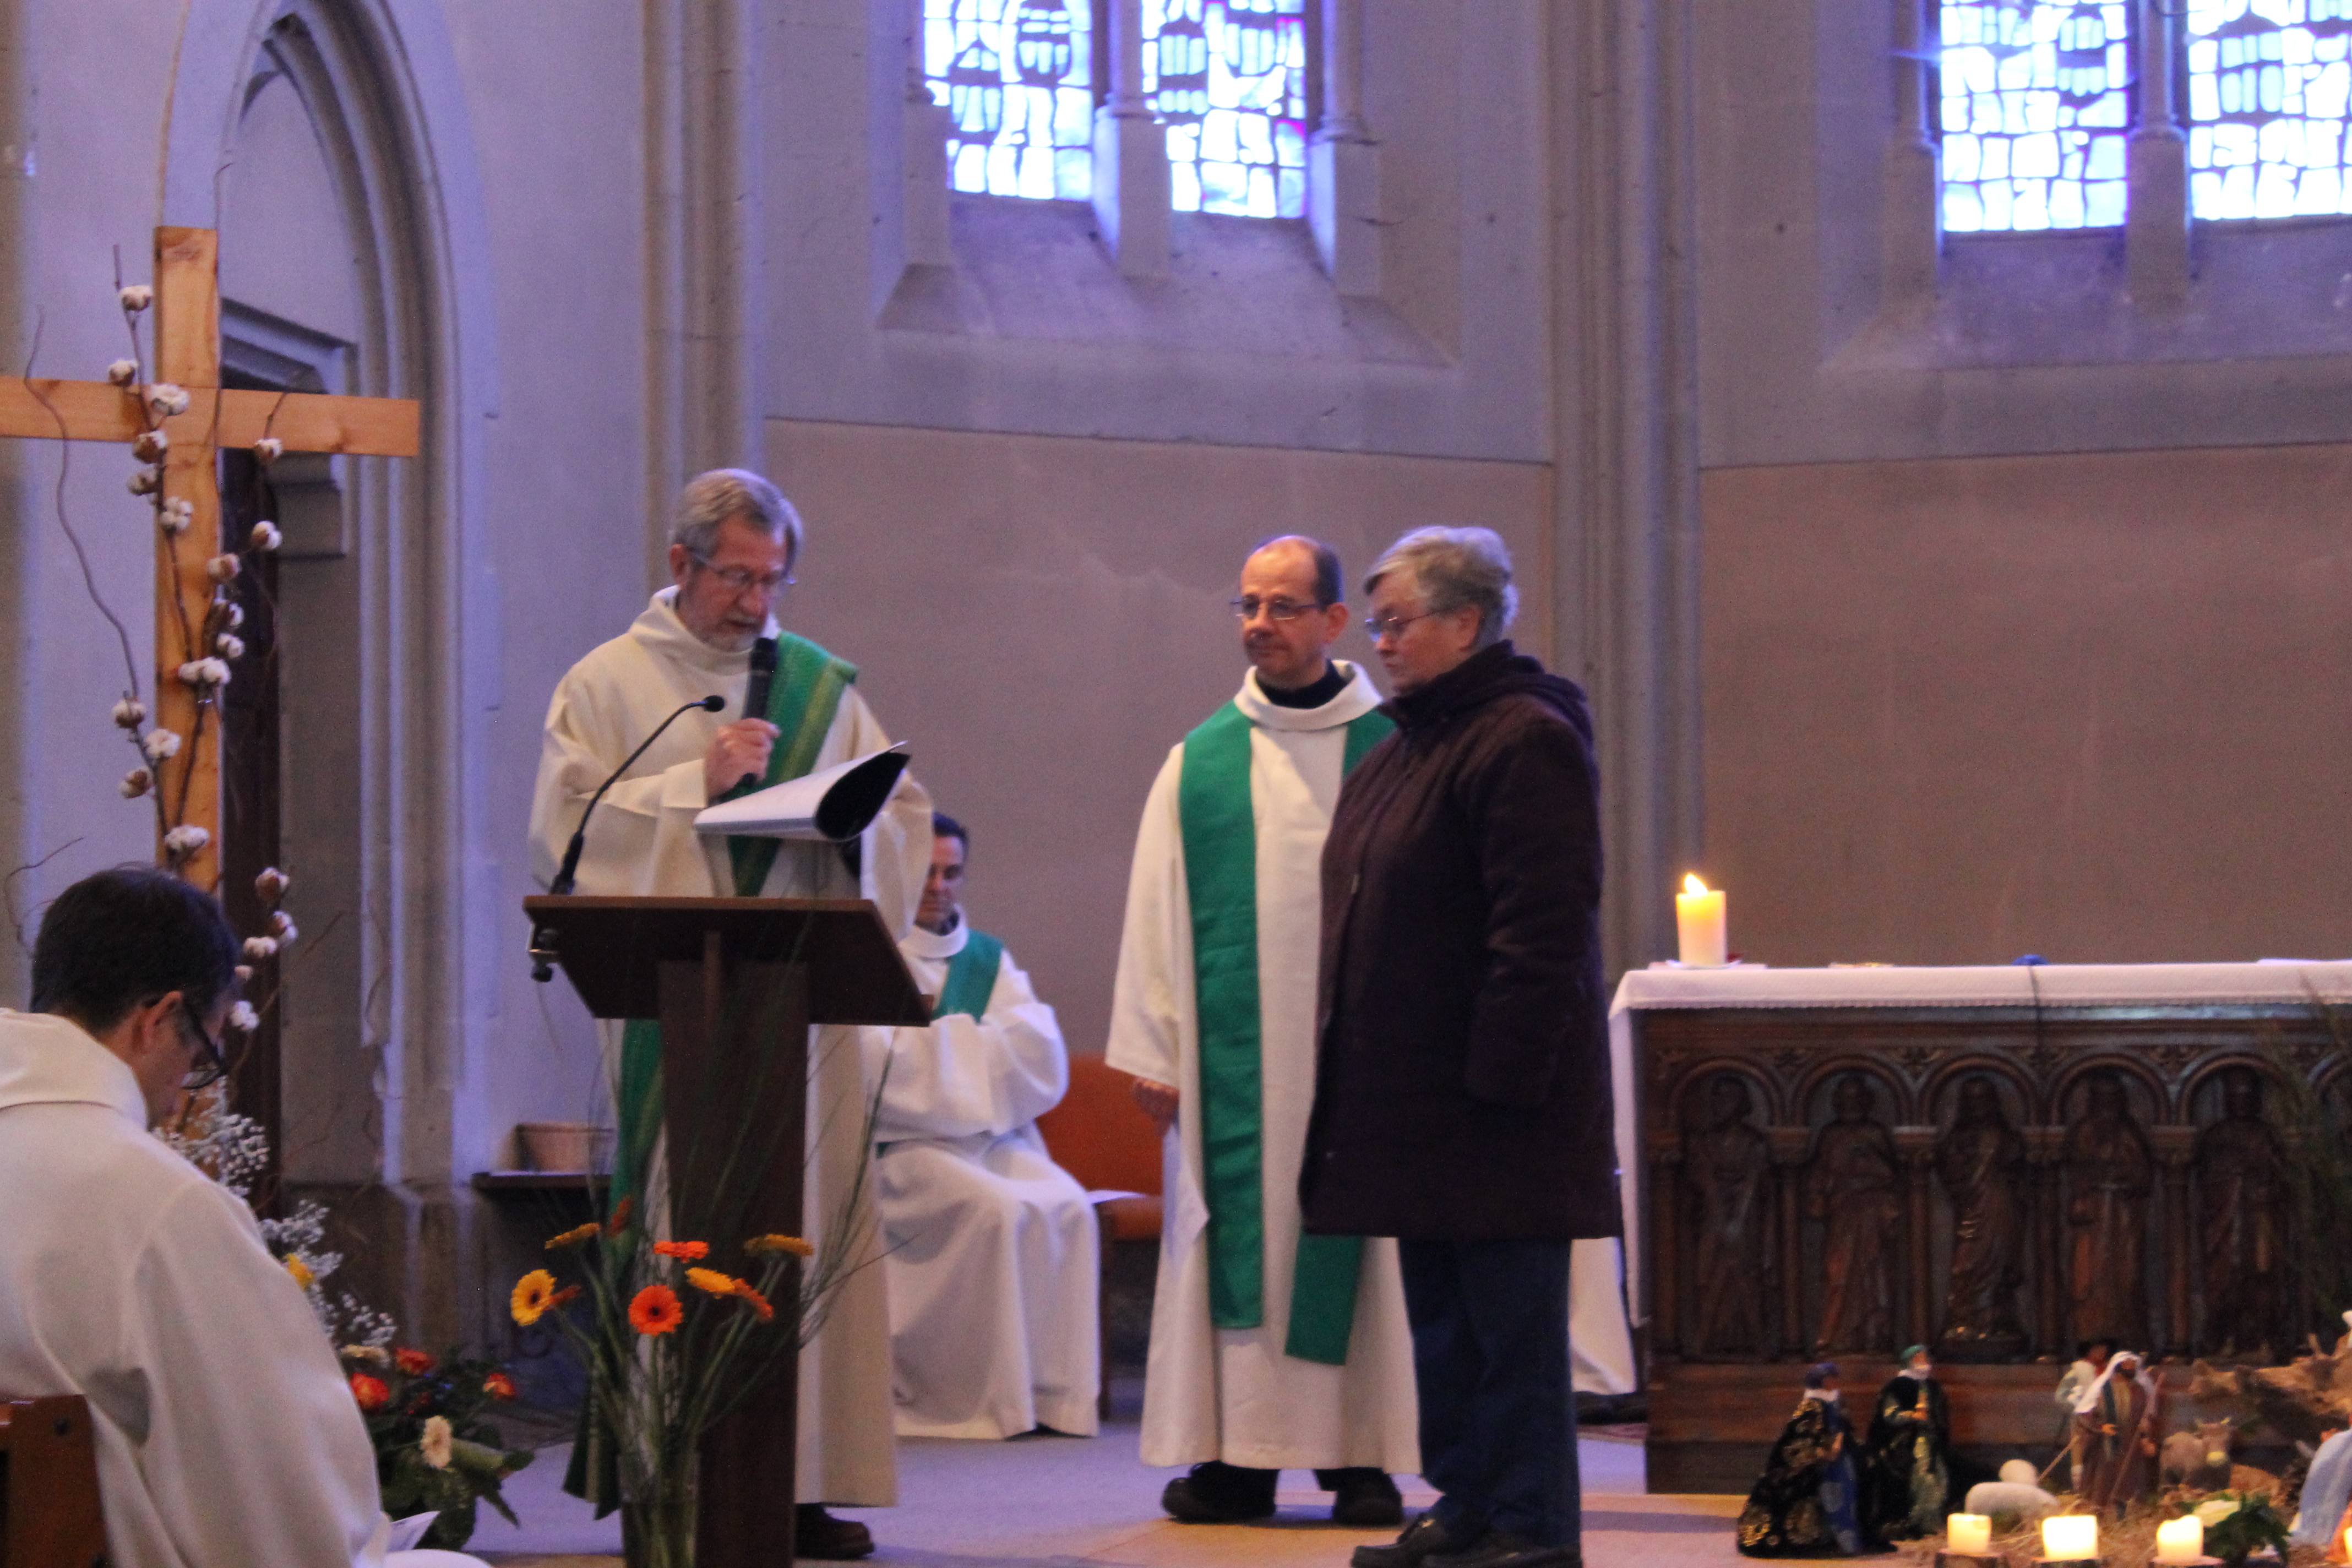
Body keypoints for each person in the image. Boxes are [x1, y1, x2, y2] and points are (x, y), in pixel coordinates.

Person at [529, 469, 931, 1560]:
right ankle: (677, 1468)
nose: (757, 603)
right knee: (683, 1226)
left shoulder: (813, 684)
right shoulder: (607, 683)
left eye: (773, 579)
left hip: (800, 997)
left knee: (804, 1222)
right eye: (737, 577)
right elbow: (564, 835)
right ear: (680, 565)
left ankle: (799, 1482)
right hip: (678, 1007)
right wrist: (691, 789)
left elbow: (900, 808)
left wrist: (851, 826)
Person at [0, 866, 486, 1568]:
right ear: (157, 1018)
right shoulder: (159, 1202)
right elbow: (279, 1509)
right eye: (198, 1057)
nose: (177, 1103)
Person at [1303, 526, 1614, 1568]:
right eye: (1379, 623)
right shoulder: (1411, 744)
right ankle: (1469, 1502)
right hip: (1418, 1106)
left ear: (1467, 623)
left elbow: (1539, 931)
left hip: (1496, 1106)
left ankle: (1530, 1525)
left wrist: (1501, 1083)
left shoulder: (1523, 737)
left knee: (1508, 1332)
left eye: (1397, 623)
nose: (1380, 642)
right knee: (1446, 1329)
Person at [1106, 534, 1418, 1528]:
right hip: (1231, 1067)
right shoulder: (1199, 760)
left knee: (1360, 1248)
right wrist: (1156, 1050)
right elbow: (1155, 906)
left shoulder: (1398, 746)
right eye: (1247, 603)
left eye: (1283, 606)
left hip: (1364, 1064)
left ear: (1333, 622)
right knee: (1236, 1240)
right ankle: (1237, 1456)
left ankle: (1360, 1459)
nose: (1258, 624)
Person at [868, 812, 1099, 1439]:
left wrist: (942, 1050)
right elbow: (874, 1061)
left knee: (1071, 1207)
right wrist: (981, 1055)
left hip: (989, 1140)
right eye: (927, 872)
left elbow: (1037, 1052)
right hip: (903, 1149)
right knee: (994, 1211)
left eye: (952, 872)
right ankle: (977, 1399)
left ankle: (1052, 1396)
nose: (939, 885)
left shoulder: (988, 958)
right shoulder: (872, 950)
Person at [1737, 1364, 1872, 1558]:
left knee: (1846, 1495)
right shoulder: (1811, 1406)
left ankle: (1842, 1539)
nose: (1835, 1381)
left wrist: (1844, 1443)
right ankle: (1819, 1538)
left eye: (1836, 1377)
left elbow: (1844, 1428)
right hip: (1813, 1467)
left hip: (1840, 1463)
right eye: (1830, 1378)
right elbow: (1797, 1439)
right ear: (1820, 1380)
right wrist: (1823, 1453)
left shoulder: (1836, 1402)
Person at [1859, 1346, 1970, 1541]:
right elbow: (1889, 1415)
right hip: (1906, 1443)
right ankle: (1916, 1521)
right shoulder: (1897, 1386)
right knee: (1923, 1477)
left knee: (1939, 1478)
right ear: (1909, 1361)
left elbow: (1940, 1413)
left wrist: (1936, 1425)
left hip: (1932, 1441)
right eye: (1918, 1358)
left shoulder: (1932, 1386)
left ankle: (1932, 1520)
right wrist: (1912, 1416)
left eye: (1925, 1357)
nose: (1923, 1361)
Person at [2069, 1349, 2158, 1512]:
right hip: (2107, 1446)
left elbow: (2144, 1419)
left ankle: (2125, 1514)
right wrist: (2101, 1427)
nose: (2130, 1368)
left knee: (2129, 1482)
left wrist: (2146, 1440)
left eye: (2133, 1365)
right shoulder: (2104, 1389)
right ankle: (2101, 1512)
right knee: (2104, 1481)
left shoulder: (2139, 1391)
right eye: (2127, 1365)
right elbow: (2086, 1415)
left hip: (2131, 1445)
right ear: (2118, 1366)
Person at [2051, 1340, 2113, 1489]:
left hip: (2106, 1422)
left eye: (2103, 1349)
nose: (2101, 1353)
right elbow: (2061, 1397)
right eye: (2098, 1349)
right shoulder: (2077, 1373)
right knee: (2082, 1456)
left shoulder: (2108, 1372)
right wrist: (2080, 1409)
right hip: (2084, 1423)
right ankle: (2082, 1491)